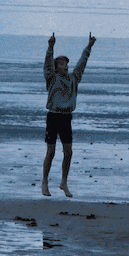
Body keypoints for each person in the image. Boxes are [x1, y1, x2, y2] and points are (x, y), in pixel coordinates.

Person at [42, 33, 96, 197]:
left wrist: (89, 47)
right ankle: (45, 182)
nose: (65, 66)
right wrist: (51, 46)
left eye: (66, 63)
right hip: (53, 117)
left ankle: (64, 182)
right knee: (51, 152)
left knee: (68, 152)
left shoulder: (74, 79)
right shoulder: (51, 78)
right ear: (56, 67)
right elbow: (47, 64)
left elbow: (81, 64)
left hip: (66, 118)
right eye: (62, 64)